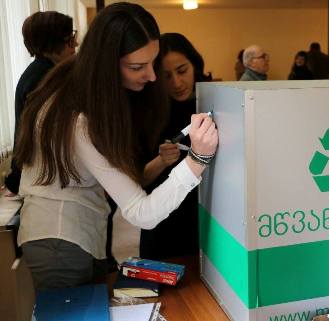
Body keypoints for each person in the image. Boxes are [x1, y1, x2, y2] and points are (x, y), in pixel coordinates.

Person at [14, 3, 218, 291]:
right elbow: (141, 212)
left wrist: (162, 163)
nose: (152, 76)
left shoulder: (80, 87)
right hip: (61, 243)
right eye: (137, 67)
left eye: (152, 62)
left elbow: (127, 182)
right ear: (107, 63)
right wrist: (197, 160)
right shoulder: (78, 117)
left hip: (78, 238)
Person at [139, 33, 212, 260]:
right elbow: (137, 180)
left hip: (209, 217)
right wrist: (161, 161)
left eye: (182, 71)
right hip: (164, 221)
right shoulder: (148, 113)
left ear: (195, 64)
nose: (177, 83)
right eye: (166, 76)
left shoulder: (215, 103)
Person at [4, 11, 78, 196]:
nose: (75, 44)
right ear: (51, 45)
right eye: (70, 40)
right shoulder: (43, 77)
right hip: (38, 180)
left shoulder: (41, 71)